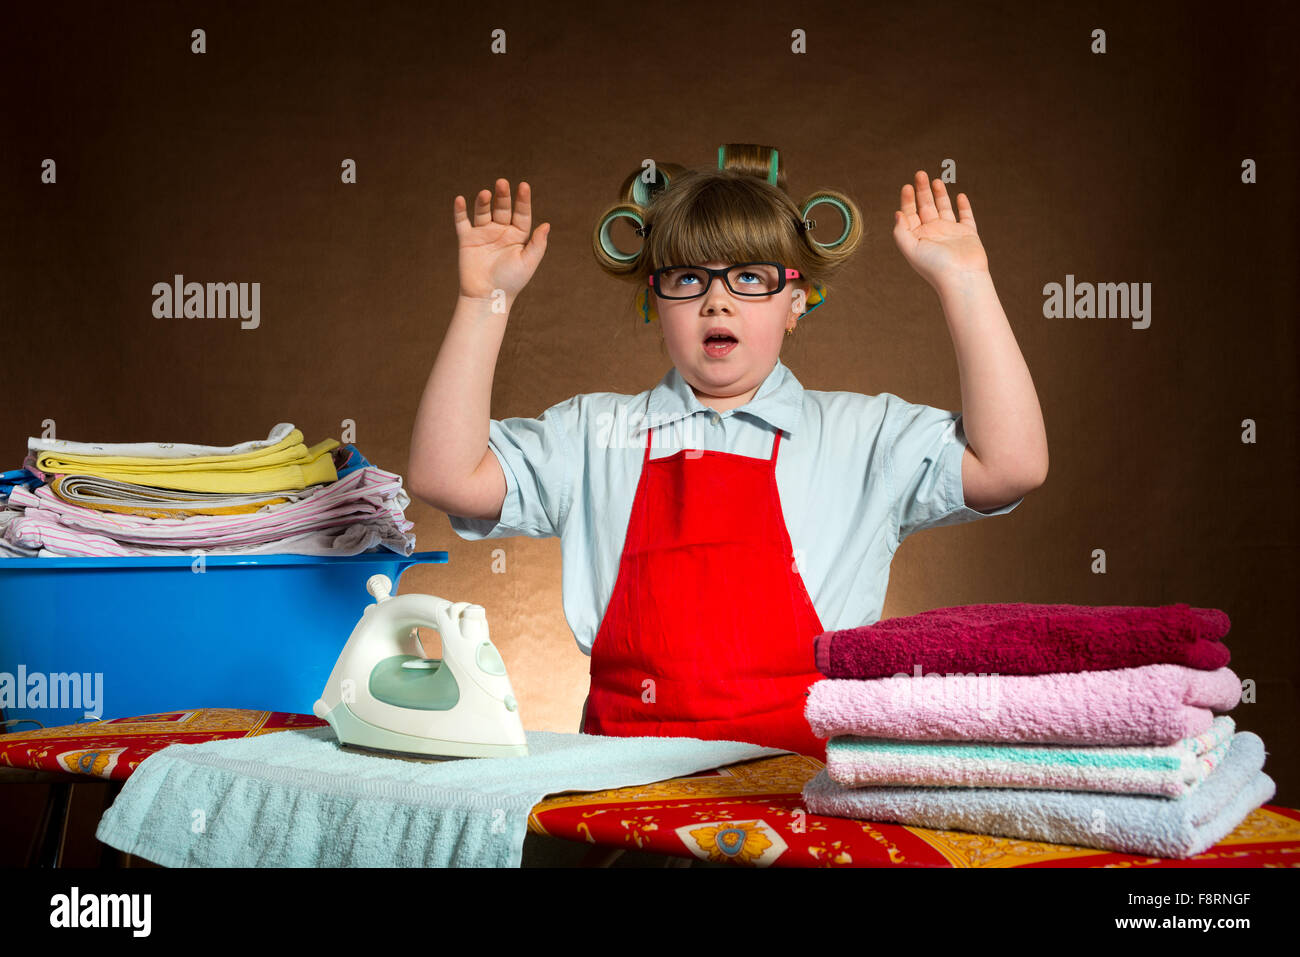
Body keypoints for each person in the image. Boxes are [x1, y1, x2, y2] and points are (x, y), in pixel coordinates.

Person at [408, 144, 1048, 762]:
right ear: (653, 300)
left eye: (750, 277)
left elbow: (1011, 465)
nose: (718, 299)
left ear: (795, 302)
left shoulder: (866, 434)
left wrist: (966, 282)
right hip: (622, 801)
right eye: (688, 277)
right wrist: (481, 301)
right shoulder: (590, 433)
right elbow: (447, 476)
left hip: (808, 798)